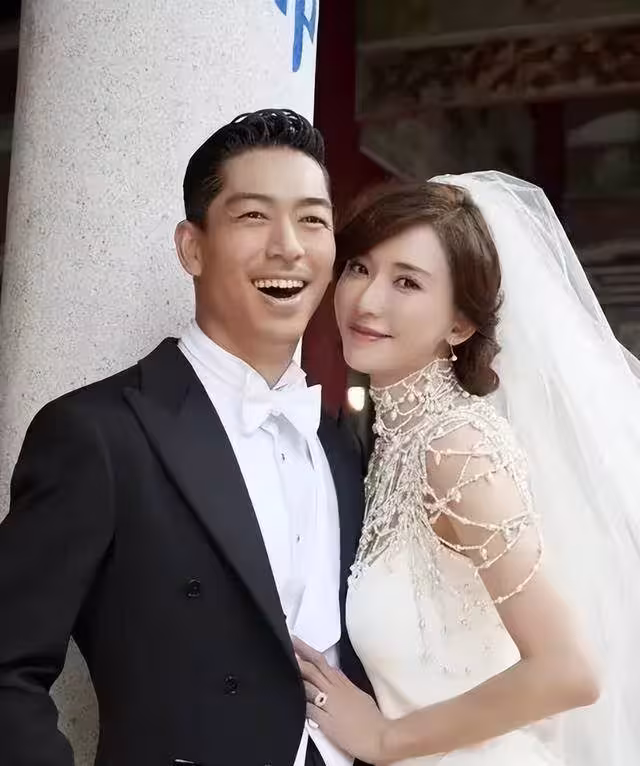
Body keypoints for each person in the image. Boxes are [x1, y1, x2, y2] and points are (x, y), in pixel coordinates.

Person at [0, 109, 371, 766]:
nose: (289, 246)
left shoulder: (340, 446)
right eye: (253, 215)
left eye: (312, 219)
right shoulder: (98, 433)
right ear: (191, 247)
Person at [297, 172, 640, 765]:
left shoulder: (457, 451)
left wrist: (385, 739)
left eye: (407, 281)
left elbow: (569, 670)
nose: (367, 300)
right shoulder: (393, 443)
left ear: (459, 324)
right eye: (359, 267)